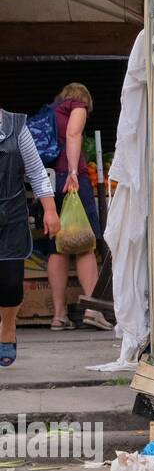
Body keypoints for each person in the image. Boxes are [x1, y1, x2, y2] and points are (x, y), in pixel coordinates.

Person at [45, 83, 112, 331]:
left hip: (48, 182)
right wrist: (73, 172)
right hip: (70, 179)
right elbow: (74, 134)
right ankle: (94, 310)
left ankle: (59, 315)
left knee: (57, 246)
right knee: (85, 244)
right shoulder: (77, 105)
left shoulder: (50, 111)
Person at [0, 108, 60, 366]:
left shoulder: (16, 124)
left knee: (11, 283)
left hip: (11, 216)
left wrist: (50, 209)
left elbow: (36, 171)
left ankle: (8, 327)